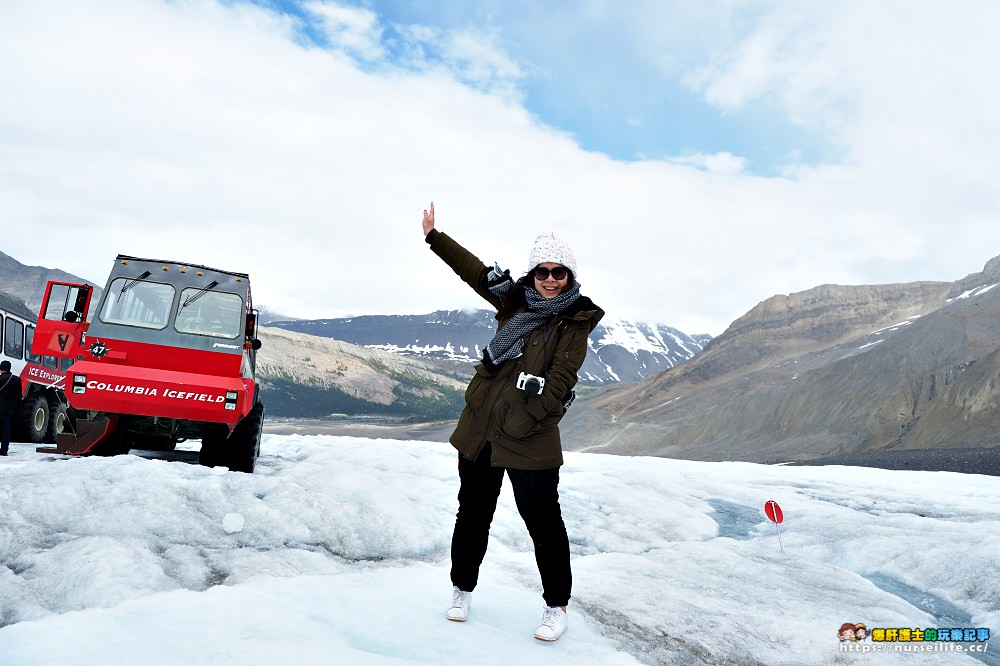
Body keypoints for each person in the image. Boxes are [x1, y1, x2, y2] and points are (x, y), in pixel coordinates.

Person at [421, 202, 605, 642]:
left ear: (570, 276)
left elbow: (562, 380)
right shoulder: (512, 300)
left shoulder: (573, 321)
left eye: (558, 272)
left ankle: (556, 606)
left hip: (531, 436)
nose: (548, 279)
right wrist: (433, 236)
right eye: (541, 271)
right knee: (473, 515)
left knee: (544, 524)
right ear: (531, 274)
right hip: (482, 429)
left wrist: (533, 405)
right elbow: (473, 271)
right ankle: (461, 590)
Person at [0, 360, 22, 456]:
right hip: (10, 409)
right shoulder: (16, 380)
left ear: (1, 369)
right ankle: (4, 450)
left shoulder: (0, 379)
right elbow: (19, 396)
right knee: (6, 430)